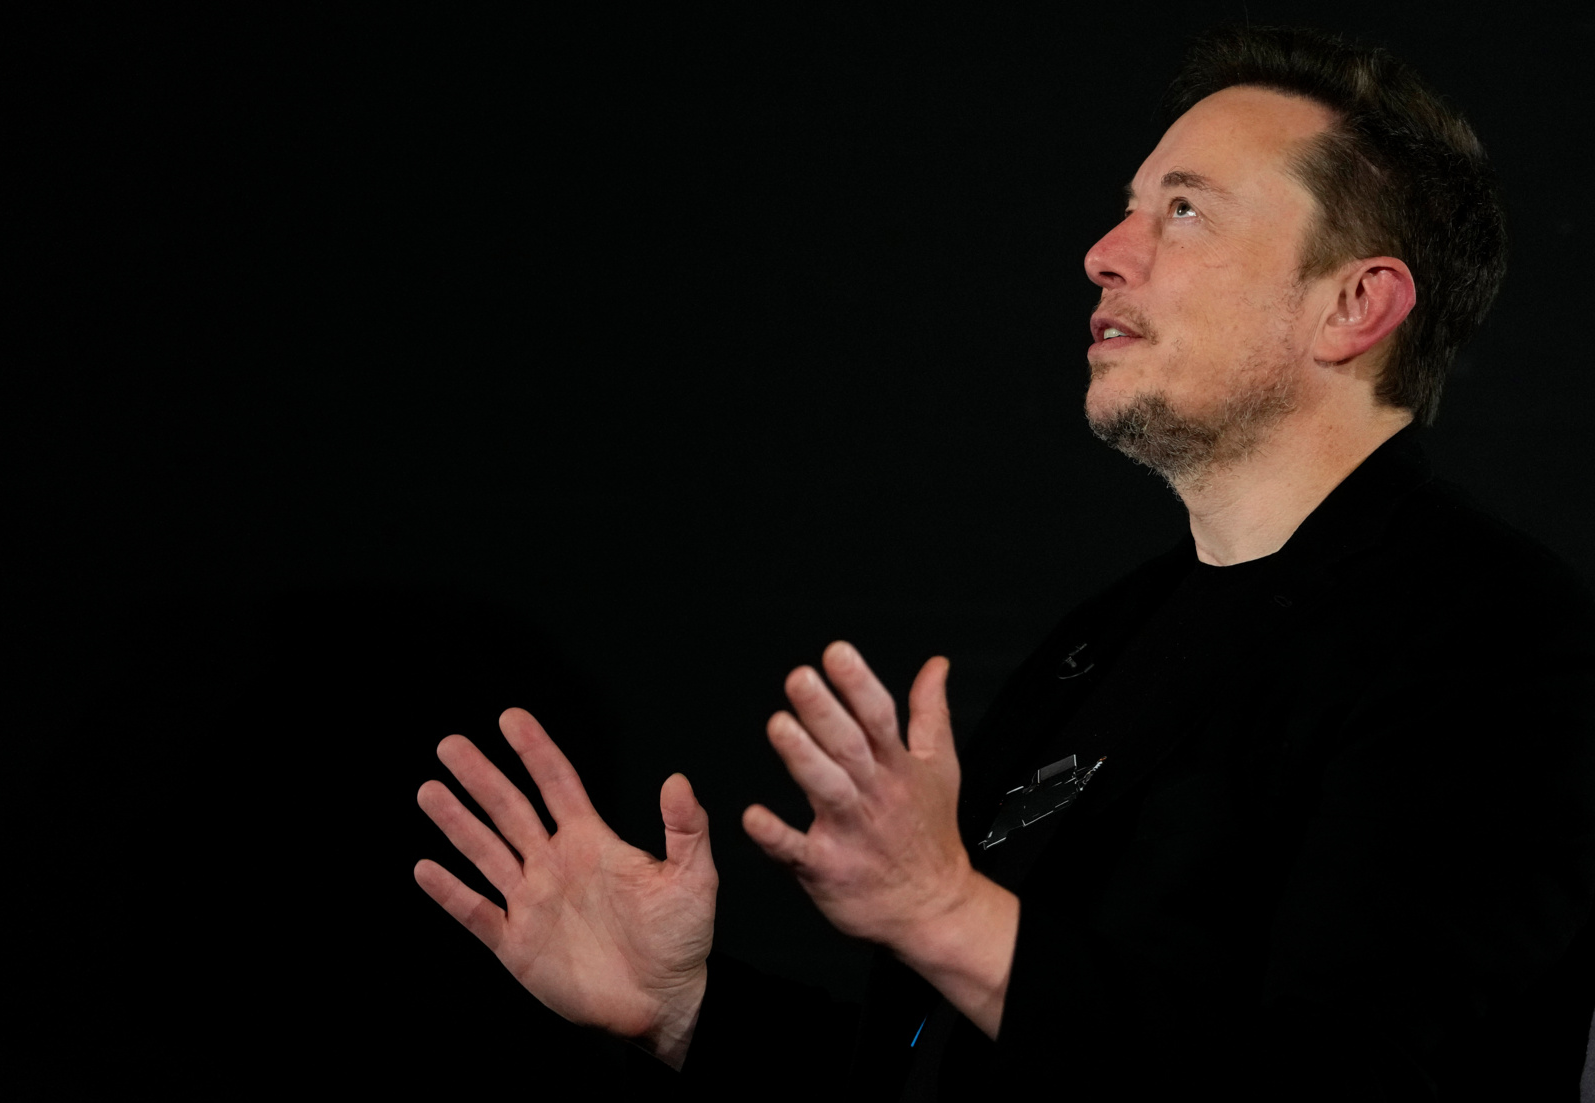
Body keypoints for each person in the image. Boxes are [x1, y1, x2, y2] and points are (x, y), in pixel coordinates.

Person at [414, 25, 1595, 1098]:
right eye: (1127, 209)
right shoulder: (1103, 642)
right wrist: (687, 1011)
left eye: (1185, 211)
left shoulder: (1500, 643)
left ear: (1352, 306)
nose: (1104, 253)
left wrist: (946, 914)